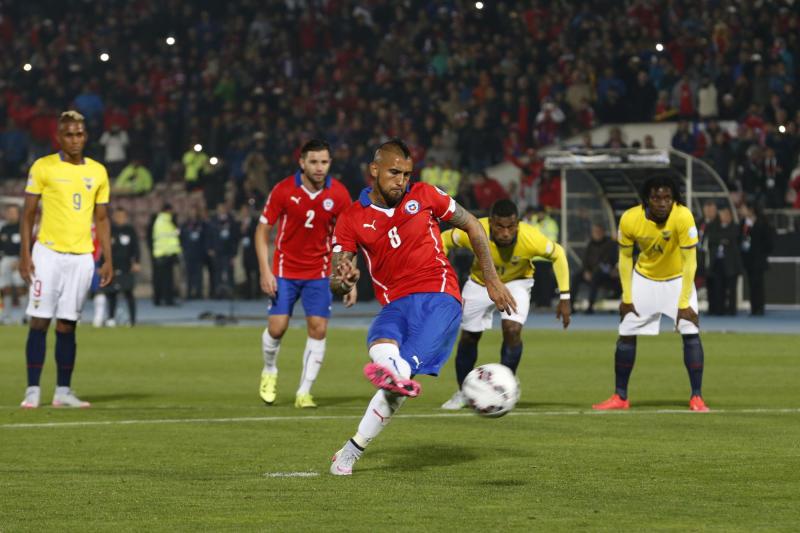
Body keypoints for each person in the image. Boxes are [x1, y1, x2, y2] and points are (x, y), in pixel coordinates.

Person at [327, 138, 516, 476]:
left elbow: (473, 224)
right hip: (395, 304)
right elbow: (337, 279)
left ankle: (393, 375)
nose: (401, 181)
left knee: (397, 373)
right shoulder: (351, 218)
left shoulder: (426, 195)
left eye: (406, 174)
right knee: (381, 345)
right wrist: (344, 279)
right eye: (394, 173)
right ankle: (351, 448)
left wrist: (491, 280)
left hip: (438, 297)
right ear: (374, 170)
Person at [18, 110, 113, 409]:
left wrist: (107, 258)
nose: (75, 139)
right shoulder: (43, 166)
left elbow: (102, 218)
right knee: (39, 321)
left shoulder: (98, 171)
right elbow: (28, 214)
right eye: (69, 134)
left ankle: (63, 391)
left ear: (86, 136)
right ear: (59, 137)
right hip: (47, 254)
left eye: (79, 134)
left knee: (68, 325)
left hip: (82, 257)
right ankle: (33, 390)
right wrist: (25, 254)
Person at [439, 198, 571, 410]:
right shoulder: (475, 230)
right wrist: (440, 272)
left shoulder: (531, 237)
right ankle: (464, 392)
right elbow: (444, 239)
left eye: (511, 227)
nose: (506, 233)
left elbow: (558, 254)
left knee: (512, 330)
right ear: (491, 223)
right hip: (480, 283)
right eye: (500, 227)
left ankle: (505, 388)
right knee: (469, 336)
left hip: (516, 283)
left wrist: (565, 297)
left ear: (517, 224)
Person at [593, 175, 709, 412]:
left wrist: (684, 301)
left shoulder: (683, 216)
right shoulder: (630, 218)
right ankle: (620, 397)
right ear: (646, 199)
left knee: (690, 333)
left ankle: (696, 397)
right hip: (644, 280)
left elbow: (690, 262)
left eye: (667, 197)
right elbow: (625, 257)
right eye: (656, 198)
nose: (663, 203)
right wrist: (627, 297)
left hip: (678, 280)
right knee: (626, 333)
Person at [255, 139, 354, 409]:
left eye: (324, 162)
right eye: (313, 162)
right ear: (302, 163)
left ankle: (304, 392)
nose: (319, 167)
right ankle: (269, 370)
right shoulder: (284, 190)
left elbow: (347, 237)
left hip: (319, 273)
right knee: (277, 328)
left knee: (318, 328)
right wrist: (265, 270)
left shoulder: (339, 194)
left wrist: (349, 277)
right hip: (284, 271)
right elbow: (262, 230)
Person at [570, 223, 618, 314]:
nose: (596, 234)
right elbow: (585, 260)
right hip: (590, 272)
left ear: (603, 232)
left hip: (605, 275)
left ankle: (590, 306)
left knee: (596, 274)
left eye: (598, 231)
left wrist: (595, 271)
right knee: (576, 276)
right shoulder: (590, 244)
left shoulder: (610, 244)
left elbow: (608, 261)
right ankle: (570, 305)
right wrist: (586, 271)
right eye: (594, 232)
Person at [104, 207, 141, 326]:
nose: (120, 218)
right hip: (113, 266)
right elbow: (104, 249)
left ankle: (132, 320)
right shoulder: (110, 230)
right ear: (114, 217)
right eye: (118, 216)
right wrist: (104, 264)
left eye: (122, 216)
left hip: (126, 266)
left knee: (129, 293)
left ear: (125, 217)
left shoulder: (130, 230)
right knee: (112, 293)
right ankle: (111, 318)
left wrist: (136, 262)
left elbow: (136, 247)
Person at [739, 203, 773, 316]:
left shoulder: (762, 222)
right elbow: (741, 238)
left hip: (758, 259)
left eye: (743, 208)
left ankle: (760, 308)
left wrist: (762, 253)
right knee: (751, 284)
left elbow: (768, 241)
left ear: (751, 210)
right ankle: (754, 308)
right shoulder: (743, 223)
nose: (741, 210)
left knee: (758, 284)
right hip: (748, 259)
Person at [706, 206, 741, 316]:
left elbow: (732, 237)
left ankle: (731, 310)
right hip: (717, 262)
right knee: (718, 287)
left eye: (726, 214)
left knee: (731, 288)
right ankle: (719, 309)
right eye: (722, 215)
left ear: (730, 216)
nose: (724, 217)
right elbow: (712, 237)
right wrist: (722, 239)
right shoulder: (714, 226)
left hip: (730, 263)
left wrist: (720, 239)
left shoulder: (735, 226)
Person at [151, 203, 182, 306]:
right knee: (167, 280)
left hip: (161, 254)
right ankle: (167, 300)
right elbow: (169, 239)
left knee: (161, 279)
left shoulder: (161, 221)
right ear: (168, 210)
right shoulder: (165, 221)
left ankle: (159, 299)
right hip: (165, 254)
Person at [0, 204, 26, 323]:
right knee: (6, 288)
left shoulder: (22, 227)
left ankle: (25, 317)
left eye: (14, 212)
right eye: (9, 212)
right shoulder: (4, 228)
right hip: (5, 259)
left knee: (21, 288)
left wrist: (20, 260)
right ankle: (6, 316)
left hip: (18, 260)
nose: (11, 215)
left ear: (18, 214)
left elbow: (27, 246)